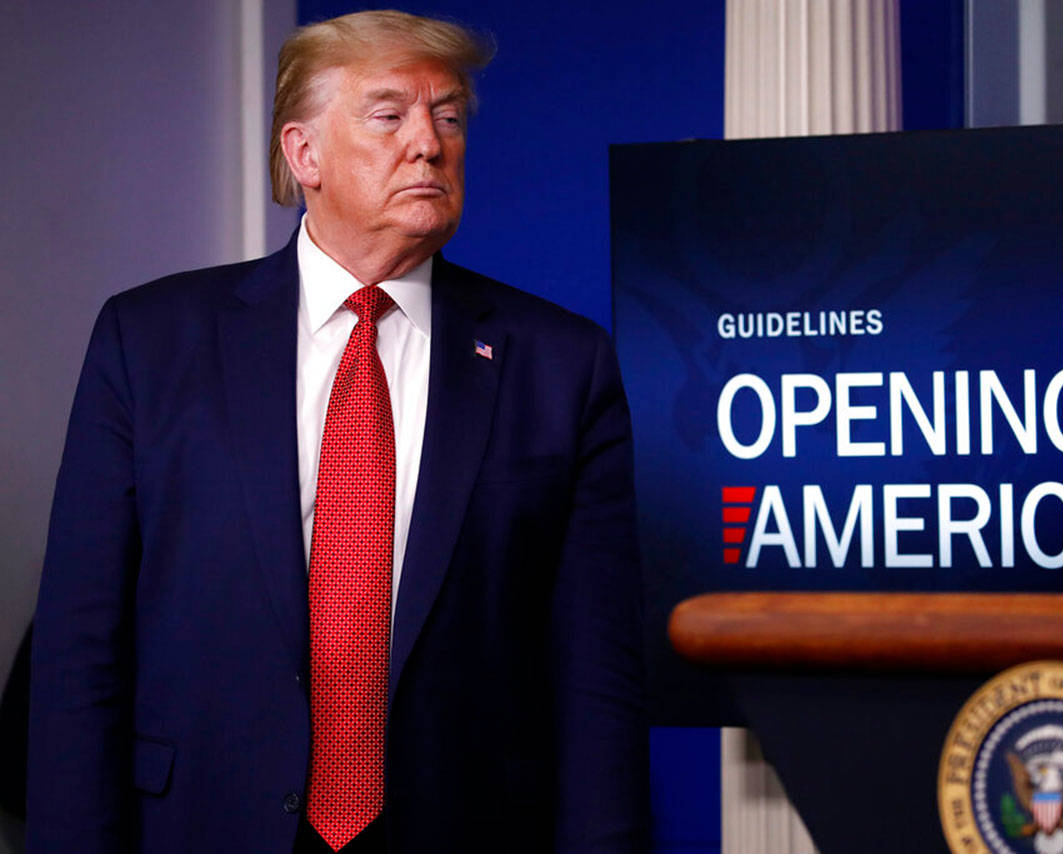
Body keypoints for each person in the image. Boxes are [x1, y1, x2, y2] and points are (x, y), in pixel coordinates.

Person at [27, 10, 648, 853]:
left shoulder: (561, 364)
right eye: (389, 115)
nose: (429, 144)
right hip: (202, 825)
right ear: (303, 153)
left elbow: (597, 679)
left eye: (450, 115)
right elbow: (78, 650)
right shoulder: (150, 342)